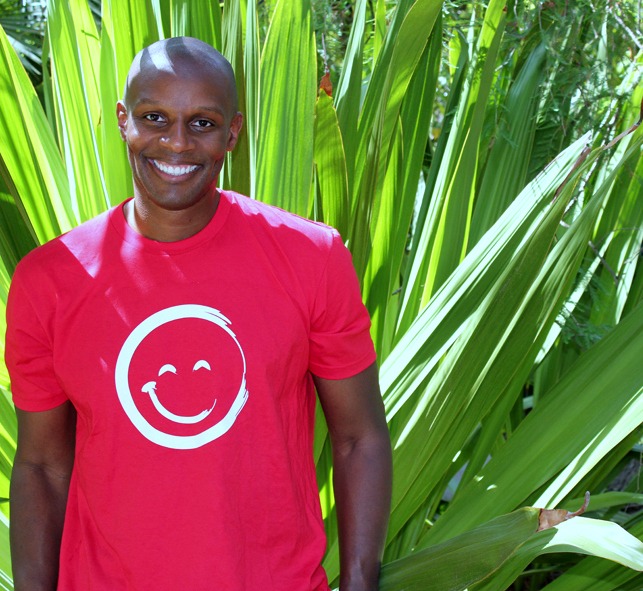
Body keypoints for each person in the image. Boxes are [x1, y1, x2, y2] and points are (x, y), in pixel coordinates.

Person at [5, 37, 392, 591]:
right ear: (124, 121)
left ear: (232, 133)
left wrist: (359, 584)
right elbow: (41, 465)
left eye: (202, 123)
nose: (177, 143)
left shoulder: (310, 257)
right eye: (155, 117)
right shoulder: (51, 280)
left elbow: (358, 438)